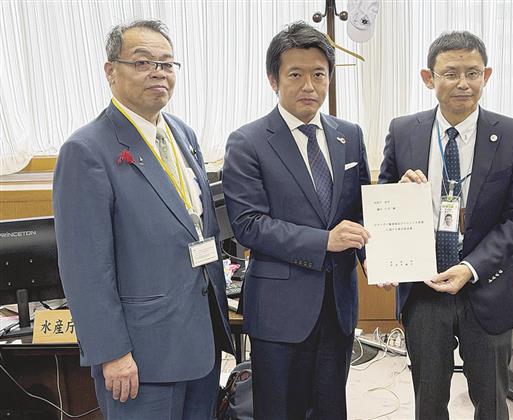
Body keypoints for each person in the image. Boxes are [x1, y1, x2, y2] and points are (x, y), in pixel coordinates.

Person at [53, 19, 233, 419]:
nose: (158, 72)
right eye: (142, 62)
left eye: (167, 63)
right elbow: (84, 269)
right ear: (110, 71)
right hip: (139, 356)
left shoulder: (182, 134)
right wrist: (112, 352)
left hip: (200, 338)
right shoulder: (86, 150)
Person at [378, 31, 513, 419]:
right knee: (429, 401)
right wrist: (398, 201)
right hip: (425, 287)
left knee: (492, 401)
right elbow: (384, 198)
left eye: (473, 73)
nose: (463, 83)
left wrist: (471, 267)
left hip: (489, 285)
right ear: (428, 78)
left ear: (487, 75)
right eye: (450, 73)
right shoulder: (403, 131)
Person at [222, 21, 371, 420]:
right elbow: (249, 225)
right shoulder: (248, 141)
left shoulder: (350, 135)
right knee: (279, 410)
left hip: (338, 304)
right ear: (273, 80)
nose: (309, 86)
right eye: (295, 75)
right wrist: (324, 241)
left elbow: (361, 211)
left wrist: (383, 256)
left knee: (330, 407)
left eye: (318, 75)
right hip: (279, 309)